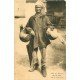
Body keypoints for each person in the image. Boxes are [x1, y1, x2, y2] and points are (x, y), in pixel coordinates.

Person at [25, 2, 53, 77]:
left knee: (43, 54)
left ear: (41, 8)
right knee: (34, 54)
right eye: (36, 7)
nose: (38, 9)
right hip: (33, 39)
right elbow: (27, 26)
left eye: (39, 7)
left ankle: (43, 68)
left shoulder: (45, 17)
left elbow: (51, 25)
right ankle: (35, 65)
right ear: (35, 8)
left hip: (42, 39)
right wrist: (30, 30)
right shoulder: (31, 18)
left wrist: (49, 29)